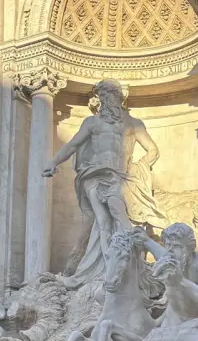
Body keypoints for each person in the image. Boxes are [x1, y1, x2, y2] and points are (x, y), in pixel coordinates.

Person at [43, 79, 167, 287]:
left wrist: (139, 167)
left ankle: (130, 259)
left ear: (119, 98)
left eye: (110, 95)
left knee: (118, 213)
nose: (107, 100)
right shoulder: (91, 123)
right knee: (102, 220)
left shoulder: (133, 123)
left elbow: (153, 150)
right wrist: (54, 162)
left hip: (119, 175)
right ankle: (107, 267)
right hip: (94, 173)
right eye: (103, 96)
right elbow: (73, 145)